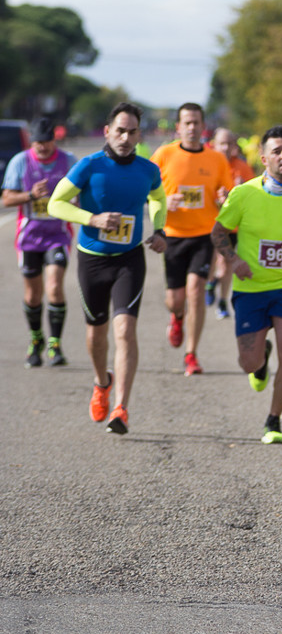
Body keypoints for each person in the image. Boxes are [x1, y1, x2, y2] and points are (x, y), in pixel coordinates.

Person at [47, 102, 168, 434]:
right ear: (107, 131)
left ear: (139, 134)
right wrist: (92, 218)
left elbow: (158, 197)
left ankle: (121, 408)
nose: (125, 138)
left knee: (125, 331)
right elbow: (55, 203)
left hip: (129, 260)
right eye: (120, 131)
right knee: (95, 334)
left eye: (132, 132)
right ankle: (102, 382)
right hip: (92, 260)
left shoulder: (148, 169)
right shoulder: (89, 166)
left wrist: (159, 229)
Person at [210, 125, 282, 444]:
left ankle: (274, 420)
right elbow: (218, 232)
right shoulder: (244, 194)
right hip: (251, 288)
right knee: (248, 361)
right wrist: (234, 261)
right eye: (276, 151)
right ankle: (259, 362)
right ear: (264, 158)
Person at [151, 103, 235, 375]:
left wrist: (224, 199)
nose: (192, 127)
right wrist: (165, 200)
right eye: (186, 122)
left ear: (203, 126)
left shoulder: (216, 159)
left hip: (203, 234)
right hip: (173, 235)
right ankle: (176, 317)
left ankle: (191, 354)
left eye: (196, 122)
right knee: (175, 299)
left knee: (196, 289)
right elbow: (146, 192)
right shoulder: (163, 155)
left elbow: (229, 196)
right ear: (178, 127)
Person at [2, 117, 78, 367]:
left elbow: (82, 194)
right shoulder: (21, 162)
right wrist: (30, 195)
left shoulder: (68, 161)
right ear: (32, 142)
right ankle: (36, 340)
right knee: (33, 295)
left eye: (46, 142)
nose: (42, 148)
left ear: (54, 139)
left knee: (55, 286)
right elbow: (7, 199)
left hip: (58, 236)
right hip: (29, 239)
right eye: (37, 143)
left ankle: (55, 344)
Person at [207, 127, 255, 319]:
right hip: (207, 225)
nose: (226, 148)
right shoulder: (207, 164)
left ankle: (222, 301)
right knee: (211, 264)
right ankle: (211, 282)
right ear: (214, 145)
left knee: (226, 263)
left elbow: (254, 196)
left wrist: (240, 190)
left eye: (230, 143)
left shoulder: (242, 167)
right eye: (222, 143)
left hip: (231, 226)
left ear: (235, 146)